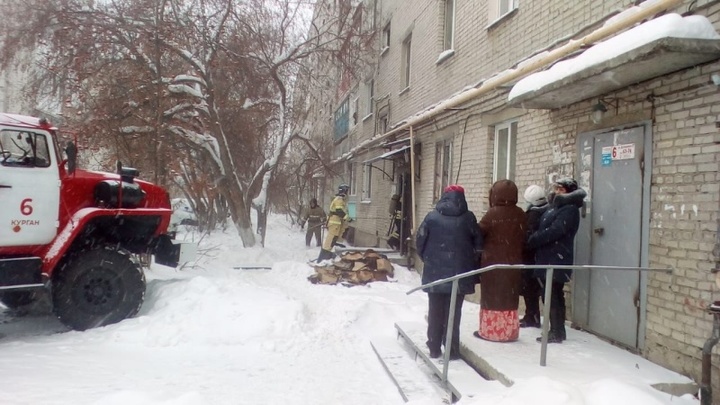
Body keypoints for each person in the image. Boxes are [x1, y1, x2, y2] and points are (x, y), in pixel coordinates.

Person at [416, 185, 482, 359]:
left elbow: (420, 241)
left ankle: (434, 346)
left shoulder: (432, 217)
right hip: (459, 274)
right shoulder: (469, 218)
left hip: (435, 272)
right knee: (454, 312)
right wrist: (468, 262)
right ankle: (452, 350)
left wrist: (429, 260)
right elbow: (478, 245)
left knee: (435, 311)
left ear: (444, 196)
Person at [527, 178, 586, 343]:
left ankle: (556, 331)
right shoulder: (556, 207)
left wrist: (535, 239)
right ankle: (557, 329)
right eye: (556, 189)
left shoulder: (569, 209)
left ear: (569, 191)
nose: (557, 192)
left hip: (557, 257)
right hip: (548, 256)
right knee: (552, 294)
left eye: (561, 189)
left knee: (553, 294)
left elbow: (556, 230)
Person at [474, 180, 526, 342]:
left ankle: (491, 332)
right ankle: (509, 332)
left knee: (492, 298)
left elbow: (479, 233)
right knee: (509, 298)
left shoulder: (492, 214)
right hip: (514, 263)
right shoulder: (520, 214)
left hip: (493, 265)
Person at [519, 185, 549, 328]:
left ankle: (532, 316)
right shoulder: (548, 211)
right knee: (537, 289)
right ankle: (533, 315)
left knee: (530, 288)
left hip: (531, 258)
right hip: (540, 256)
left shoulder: (533, 215)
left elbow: (527, 238)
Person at [316, 184, 351, 262]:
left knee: (335, 239)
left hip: (337, 223)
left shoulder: (341, 199)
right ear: (344, 191)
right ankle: (323, 257)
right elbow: (339, 211)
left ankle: (330, 254)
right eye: (347, 191)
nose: (347, 193)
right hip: (334, 222)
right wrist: (347, 218)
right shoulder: (339, 199)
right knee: (331, 239)